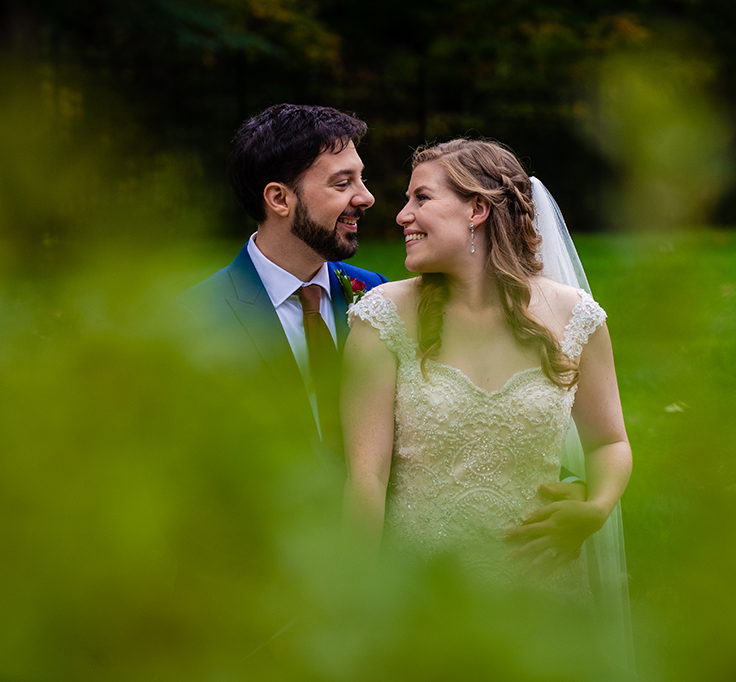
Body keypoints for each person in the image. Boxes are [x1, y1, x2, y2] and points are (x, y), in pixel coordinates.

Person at [340, 139, 633, 648]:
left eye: (421, 199)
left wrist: (597, 507)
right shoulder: (382, 316)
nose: (402, 215)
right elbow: (366, 476)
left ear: (477, 208)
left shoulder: (576, 316)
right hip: (423, 592)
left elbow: (609, 442)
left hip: (545, 591)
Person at [178, 104, 388, 460]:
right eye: (342, 183)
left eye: (361, 178)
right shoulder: (195, 320)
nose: (366, 197)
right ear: (279, 199)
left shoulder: (376, 293)